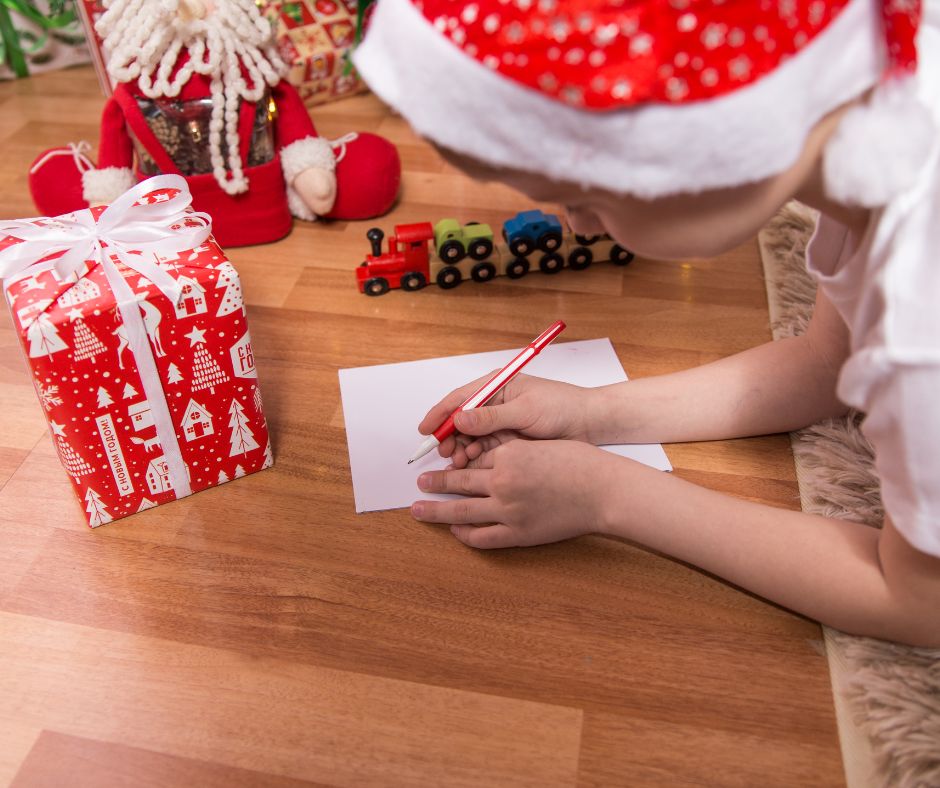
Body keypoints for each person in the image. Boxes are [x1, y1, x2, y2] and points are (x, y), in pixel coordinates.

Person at [353, 0, 940, 647]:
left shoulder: (924, 306)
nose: (578, 226)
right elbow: (832, 362)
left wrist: (609, 496)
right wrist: (594, 414)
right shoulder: (877, 94)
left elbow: (917, 600)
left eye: (589, 194)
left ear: (706, 139)